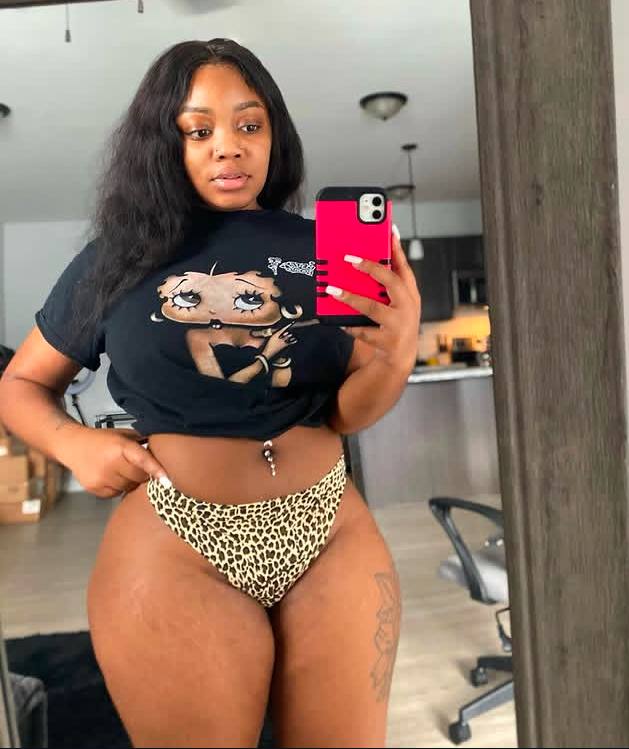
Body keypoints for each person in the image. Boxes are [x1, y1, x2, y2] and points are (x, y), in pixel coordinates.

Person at [0, 39, 421, 748]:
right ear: (164, 145)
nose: (228, 146)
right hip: (179, 540)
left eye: (249, 124)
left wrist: (397, 353)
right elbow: (20, 383)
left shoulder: (322, 247)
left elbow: (347, 411)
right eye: (198, 130)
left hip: (331, 529)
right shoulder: (115, 258)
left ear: (273, 135)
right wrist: (73, 444)